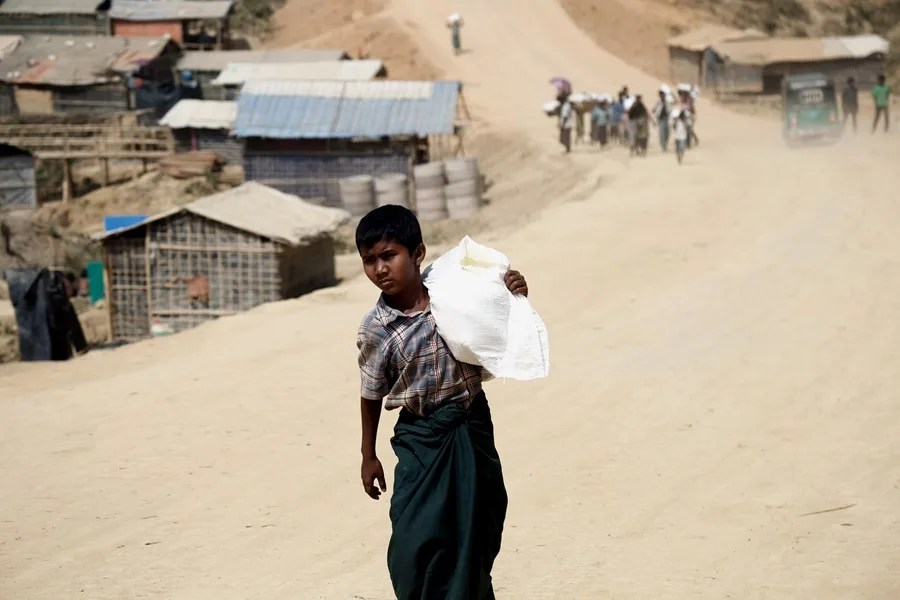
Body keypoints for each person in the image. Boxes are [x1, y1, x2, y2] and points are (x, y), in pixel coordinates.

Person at [356, 205, 529, 600]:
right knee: (414, 544)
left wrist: (514, 290)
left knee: (477, 526)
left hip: (470, 426)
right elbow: (370, 393)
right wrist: (368, 454)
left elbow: (499, 310)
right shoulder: (376, 330)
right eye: (370, 260)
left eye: (389, 256)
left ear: (417, 253)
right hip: (422, 438)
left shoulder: (454, 291)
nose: (380, 269)